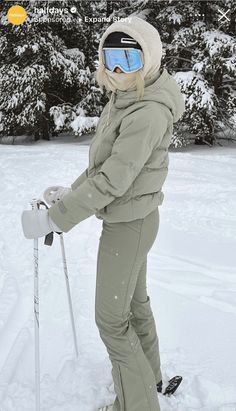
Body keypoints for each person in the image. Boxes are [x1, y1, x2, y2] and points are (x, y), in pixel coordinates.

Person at [21, 16, 185, 411]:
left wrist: (55, 219)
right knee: (133, 303)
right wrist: (71, 193)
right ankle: (151, 378)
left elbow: (112, 180)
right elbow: (105, 166)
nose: (115, 71)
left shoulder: (146, 111)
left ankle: (138, 404)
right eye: (110, 58)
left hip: (128, 224)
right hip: (136, 218)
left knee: (111, 322)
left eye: (127, 61)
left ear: (148, 61)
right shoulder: (128, 99)